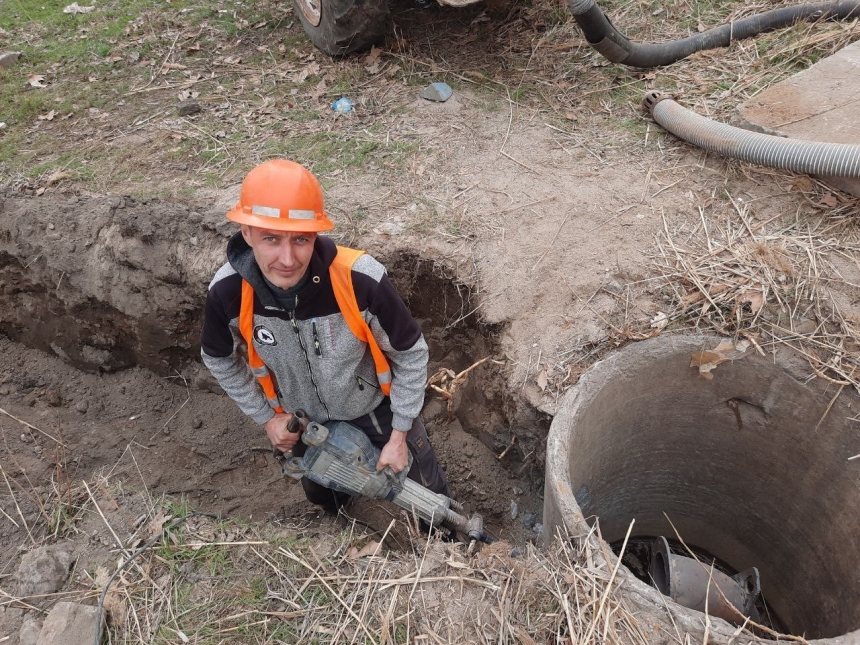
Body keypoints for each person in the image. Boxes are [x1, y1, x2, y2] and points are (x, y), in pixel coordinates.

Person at [200, 159, 450, 514]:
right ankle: (344, 533)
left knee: (429, 498)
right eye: (271, 239)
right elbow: (218, 359)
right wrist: (267, 418)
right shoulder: (228, 293)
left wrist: (399, 434)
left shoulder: (359, 280)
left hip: (373, 409)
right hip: (306, 420)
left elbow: (410, 353)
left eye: (300, 240)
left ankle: (445, 545)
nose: (287, 259)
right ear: (247, 233)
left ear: (315, 235)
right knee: (322, 497)